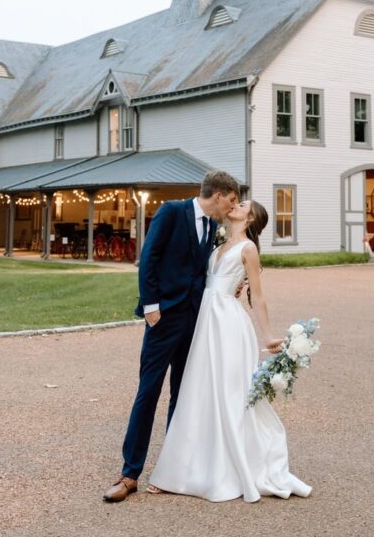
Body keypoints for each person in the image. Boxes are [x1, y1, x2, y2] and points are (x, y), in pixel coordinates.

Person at [148, 199, 312, 502]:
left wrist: (268, 336)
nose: (236, 204)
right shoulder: (219, 240)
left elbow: (258, 297)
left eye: (243, 204)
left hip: (227, 325)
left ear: (249, 219)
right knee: (197, 392)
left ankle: (225, 469)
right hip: (205, 321)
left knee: (226, 394)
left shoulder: (248, 249)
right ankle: (181, 470)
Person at [103, 169, 240, 503]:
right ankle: (129, 473)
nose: (233, 207)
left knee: (183, 395)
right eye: (232, 200)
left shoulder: (211, 227)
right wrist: (151, 305)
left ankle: (173, 469)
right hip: (163, 318)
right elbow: (148, 258)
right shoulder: (171, 211)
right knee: (148, 391)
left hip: (195, 320)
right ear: (218, 195)